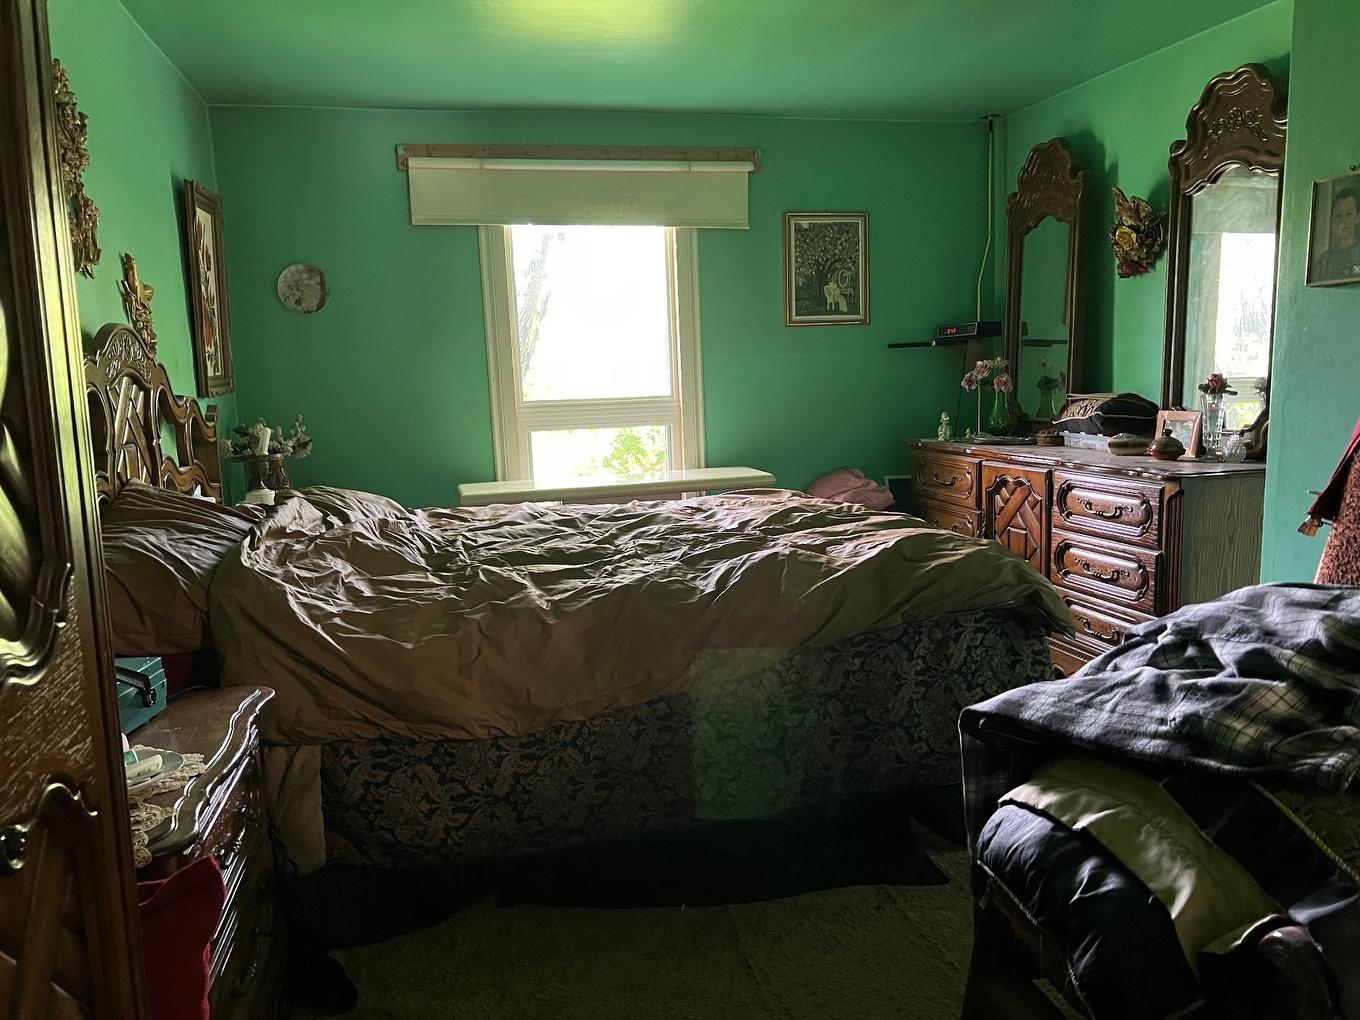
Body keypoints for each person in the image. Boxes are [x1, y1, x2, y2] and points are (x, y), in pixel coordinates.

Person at [1314, 184, 1360, 281]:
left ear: (1357, 217)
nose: (1343, 221)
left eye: (1349, 214)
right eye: (1338, 215)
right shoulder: (1325, 261)